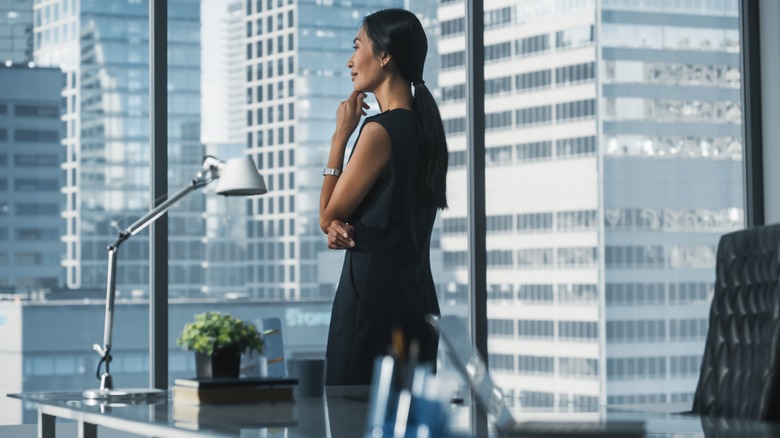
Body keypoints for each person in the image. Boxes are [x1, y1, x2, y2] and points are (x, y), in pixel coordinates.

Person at [319, 8, 449, 386]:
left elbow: (327, 214)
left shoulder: (379, 132)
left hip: (371, 304)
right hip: (418, 300)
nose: (350, 59)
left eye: (357, 46)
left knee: (351, 415)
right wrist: (337, 225)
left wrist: (340, 137)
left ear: (385, 55)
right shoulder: (427, 132)